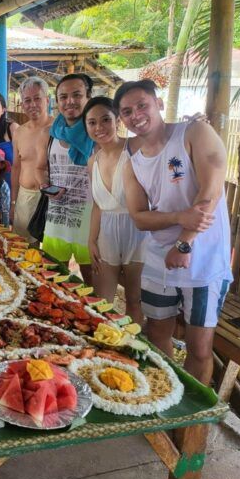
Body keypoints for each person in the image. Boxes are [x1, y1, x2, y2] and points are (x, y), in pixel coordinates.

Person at [118, 79, 232, 384]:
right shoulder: (133, 161)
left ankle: (192, 420)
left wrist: (184, 243)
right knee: (157, 332)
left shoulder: (194, 133)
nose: (136, 114)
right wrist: (180, 216)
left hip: (203, 261)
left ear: (158, 103)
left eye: (142, 104)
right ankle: (166, 393)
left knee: (199, 346)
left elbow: (211, 192)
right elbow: (139, 217)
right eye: (127, 111)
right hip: (158, 259)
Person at [84, 97, 145, 324]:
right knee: (101, 302)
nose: (99, 128)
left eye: (105, 120)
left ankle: (136, 352)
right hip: (106, 234)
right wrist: (91, 240)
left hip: (138, 233)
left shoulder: (135, 148)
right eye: (91, 123)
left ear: (117, 120)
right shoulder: (93, 161)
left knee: (134, 300)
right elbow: (98, 205)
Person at [36, 73, 95, 284]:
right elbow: (40, 168)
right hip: (56, 222)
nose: (70, 101)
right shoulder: (49, 134)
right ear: (57, 101)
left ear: (88, 96)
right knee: (53, 283)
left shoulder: (98, 132)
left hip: (90, 223)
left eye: (77, 95)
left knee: (93, 285)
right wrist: (45, 186)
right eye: (63, 97)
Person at [11, 77, 53, 243]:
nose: (32, 104)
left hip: (51, 198)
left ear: (47, 100)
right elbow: (16, 168)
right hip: (25, 197)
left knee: (52, 254)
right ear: (22, 104)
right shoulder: (19, 132)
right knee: (23, 250)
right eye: (27, 100)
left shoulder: (58, 128)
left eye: (37, 98)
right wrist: (13, 202)